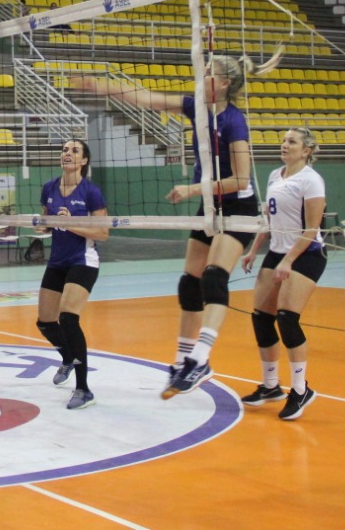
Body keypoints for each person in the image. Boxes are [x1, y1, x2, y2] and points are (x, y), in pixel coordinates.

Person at [78, 50, 280, 399]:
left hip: (237, 209)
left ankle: (201, 359)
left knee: (215, 276)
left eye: (207, 73)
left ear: (223, 83)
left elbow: (241, 178)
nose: (200, 78)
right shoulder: (196, 108)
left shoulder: (235, 122)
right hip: (208, 207)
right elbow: (147, 99)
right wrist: (103, 88)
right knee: (190, 283)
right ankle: (182, 360)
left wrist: (191, 188)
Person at [239, 128, 327, 421]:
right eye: (284, 140)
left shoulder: (311, 180)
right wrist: (254, 250)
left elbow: (311, 230)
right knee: (261, 317)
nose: (284, 144)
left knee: (287, 319)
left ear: (306, 150)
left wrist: (289, 260)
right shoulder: (276, 175)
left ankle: (301, 390)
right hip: (278, 252)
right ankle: (270, 385)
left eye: (292, 141)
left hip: (307, 253)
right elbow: (269, 219)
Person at [33, 140, 109, 410]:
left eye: (74, 151)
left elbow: (103, 233)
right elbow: (46, 222)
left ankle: (83, 389)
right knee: (45, 322)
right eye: (65, 150)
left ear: (84, 161)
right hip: (57, 261)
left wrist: (71, 224)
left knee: (68, 318)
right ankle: (67, 357)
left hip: (83, 260)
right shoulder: (49, 188)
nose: (67, 153)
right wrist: (43, 226)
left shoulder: (91, 192)